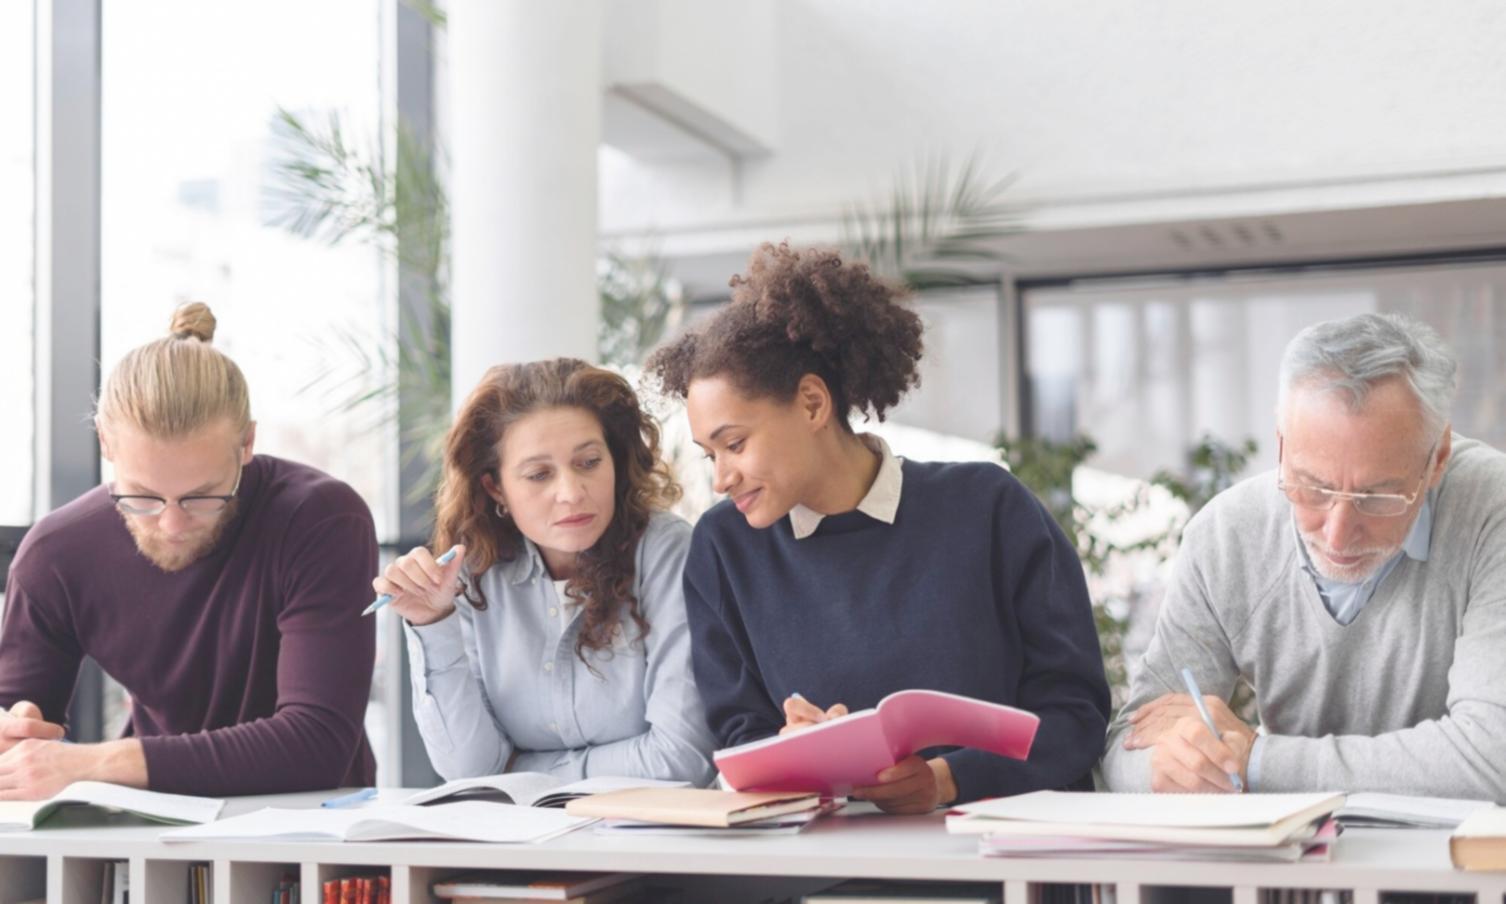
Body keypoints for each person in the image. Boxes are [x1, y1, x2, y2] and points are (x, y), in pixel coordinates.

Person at [645, 242, 1111, 814]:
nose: (721, 478)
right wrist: (792, 753)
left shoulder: (989, 509)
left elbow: (1076, 714)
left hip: (998, 852)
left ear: (813, 404)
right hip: (822, 865)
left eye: (734, 444)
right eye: (708, 454)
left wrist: (946, 778)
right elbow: (739, 738)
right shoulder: (723, 548)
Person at [1102, 312, 1506, 801]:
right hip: (1287, 859)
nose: (1338, 534)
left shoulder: (1492, 509)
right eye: (1312, 487)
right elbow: (1129, 748)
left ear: (1437, 458)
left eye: (1378, 497)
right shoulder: (1226, 535)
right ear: (1281, 444)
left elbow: (1491, 758)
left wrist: (1255, 759)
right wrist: (1167, 767)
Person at [0, 303, 377, 799]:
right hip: (152, 832)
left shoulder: (320, 520)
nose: (172, 524)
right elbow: (18, 746)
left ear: (246, 443)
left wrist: (91, 762)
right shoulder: (56, 553)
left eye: (202, 496)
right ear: (105, 444)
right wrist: (15, 737)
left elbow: (316, 743)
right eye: (142, 497)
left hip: (313, 836)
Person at [377, 359, 715, 784]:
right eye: (538, 474)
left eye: (589, 462)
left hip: (646, 840)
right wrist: (432, 623)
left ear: (615, 459)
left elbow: (682, 759)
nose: (572, 493)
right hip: (520, 845)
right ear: (495, 487)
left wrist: (523, 771)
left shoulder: (667, 551)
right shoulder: (470, 574)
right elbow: (468, 770)